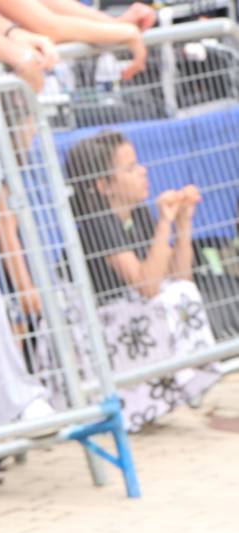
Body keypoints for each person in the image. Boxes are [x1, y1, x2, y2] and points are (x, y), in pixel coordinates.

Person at [65, 130, 219, 431]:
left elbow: (180, 277)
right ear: (103, 186)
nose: (143, 171)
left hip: (128, 315)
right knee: (170, 300)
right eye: (130, 168)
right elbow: (146, 286)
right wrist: (164, 222)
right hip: (97, 324)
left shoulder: (136, 215)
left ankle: (188, 381)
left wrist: (182, 222)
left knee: (181, 293)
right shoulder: (99, 224)